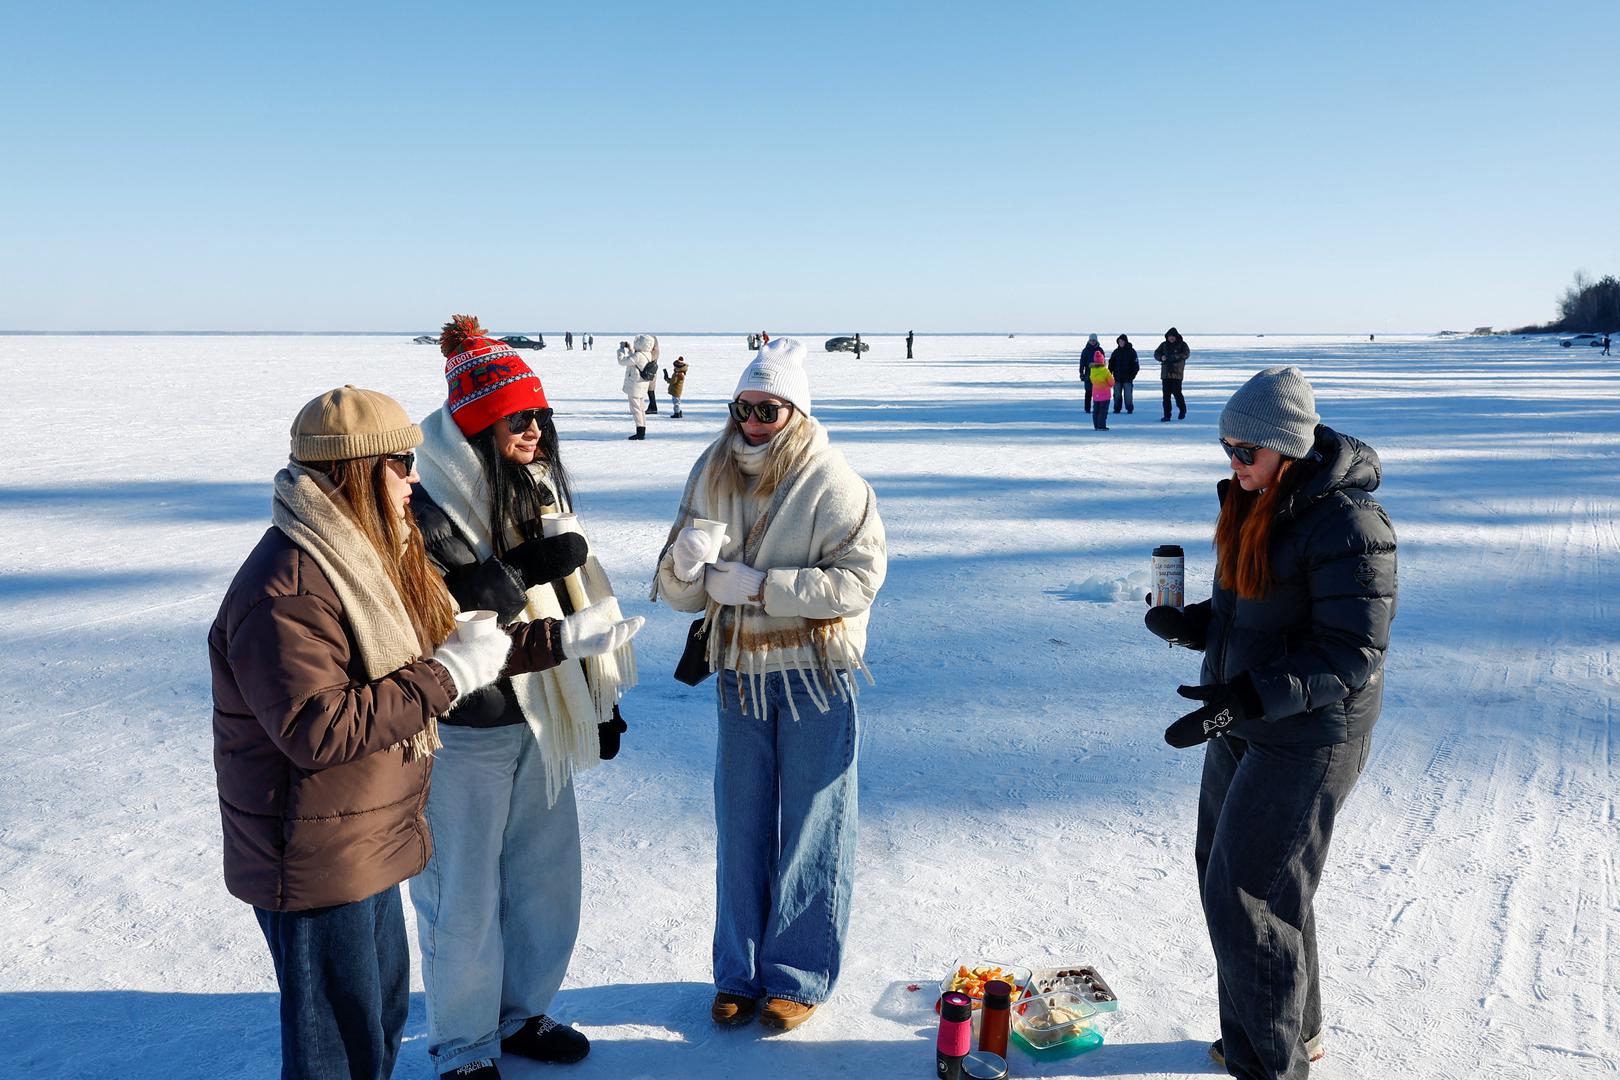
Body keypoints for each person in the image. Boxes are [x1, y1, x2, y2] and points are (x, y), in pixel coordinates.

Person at [211, 385, 550, 1080]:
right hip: (313, 852)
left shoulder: (359, 557)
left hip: (361, 836)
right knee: (338, 1046)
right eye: (400, 462)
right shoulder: (290, 584)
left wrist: (542, 645)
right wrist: (448, 677)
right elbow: (317, 727)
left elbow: (427, 649)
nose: (414, 478)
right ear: (353, 471)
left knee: (379, 1022)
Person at [405, 317, 644, 1080]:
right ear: (478, 424)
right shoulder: (424, 501)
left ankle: (522, 1013)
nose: (535, 430)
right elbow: (436, 610)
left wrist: (599, 702)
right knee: (463, 895)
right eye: (519, 418)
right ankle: (465, 1046)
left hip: (542, 713)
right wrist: (517, 568)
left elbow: (573, 594)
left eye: (540, 415)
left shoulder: (529, 484)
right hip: (460, 728)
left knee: (546, 877)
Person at [1144, 365, 1396, 1080]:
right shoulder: (1259, 500)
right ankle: (1293, 1030)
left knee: (1246, 894)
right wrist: (1193, 627)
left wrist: (1250, 698)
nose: (1233, 464)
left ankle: (1270, 1063)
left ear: (1285, 447)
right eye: (1225, 449)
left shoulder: (1350, 523)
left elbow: (1351, 652)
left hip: (1312, 734)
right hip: (1249, 715)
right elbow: (1248, 610)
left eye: (1244, 452)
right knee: (1236, 876)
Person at [652, 337, 887, 1033]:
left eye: (768, 408)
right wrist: (686, 568)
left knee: (814, 826)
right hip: (739, 677)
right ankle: (737, 974)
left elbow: (860, 579)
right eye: (744, 406)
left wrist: (765, 588)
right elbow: (676, 590)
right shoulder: (712, 469)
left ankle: (798, 975)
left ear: (795, 411)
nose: (753, 420)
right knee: (742, 824)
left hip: (815, 676)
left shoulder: (833, 480)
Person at [619, 335, 658, 439]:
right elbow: (635, 359)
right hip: (642, 386)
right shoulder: (648, 355)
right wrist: (630, 349)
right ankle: (642, 430)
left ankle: (640, 432)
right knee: (640, 409)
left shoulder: (638, 356)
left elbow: (622, 362)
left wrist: (621, 350)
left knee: (636, 409)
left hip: (634, 386)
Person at [1155, 327, 1190, 421]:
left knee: (1177, 393)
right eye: (1170, 336)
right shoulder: (1163, 345)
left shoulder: (1182, 345)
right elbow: (1156, 353)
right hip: (1165, 375)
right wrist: (1161, 357)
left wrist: (1174, 357)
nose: (1171, 338)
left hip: (1176, 374)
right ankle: (1167, 415)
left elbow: (1186, 354)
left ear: (1176, 337)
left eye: (1173, 337)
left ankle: (1182, 410)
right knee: (1166, 397)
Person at [1109, 334, 1139, 414]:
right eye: (1119, 341)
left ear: (1125, 341)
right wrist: (1110, 373)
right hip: (1117, 377)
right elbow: (1111, 364)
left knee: (1128, 395)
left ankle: (1129, 408)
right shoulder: (1116, 352)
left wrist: (1132, 375)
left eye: (1122, 341)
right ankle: (1117, 408)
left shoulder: (1131, 352)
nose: (1121, 343)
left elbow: (1136, 365)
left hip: (1128, 378)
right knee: (1117, 394)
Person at [1078, 334, 1105, 413]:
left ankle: (1098, 408)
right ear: (1089, 341)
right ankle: (1087, 409)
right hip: (1088, 375)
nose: (1092, 342)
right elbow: (1082, 362)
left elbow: (1103, 363)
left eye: (1094, 340)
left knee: (1098, 393)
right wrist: (1081, 373)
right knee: (1088, 392)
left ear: (1096, 341)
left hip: (1098, 375)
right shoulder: (1085, 350)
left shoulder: (1100, 350)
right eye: (1091, 340)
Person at [1088, 350, 1114, 430]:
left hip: (1096, 394)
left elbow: (1092, 380)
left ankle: (1096, 425)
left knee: (1096, 410)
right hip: (1105, 395)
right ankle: (1101, 425)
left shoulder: (1092, 370)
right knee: (1103, 411)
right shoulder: (1105, 371)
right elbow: (1111, 382)